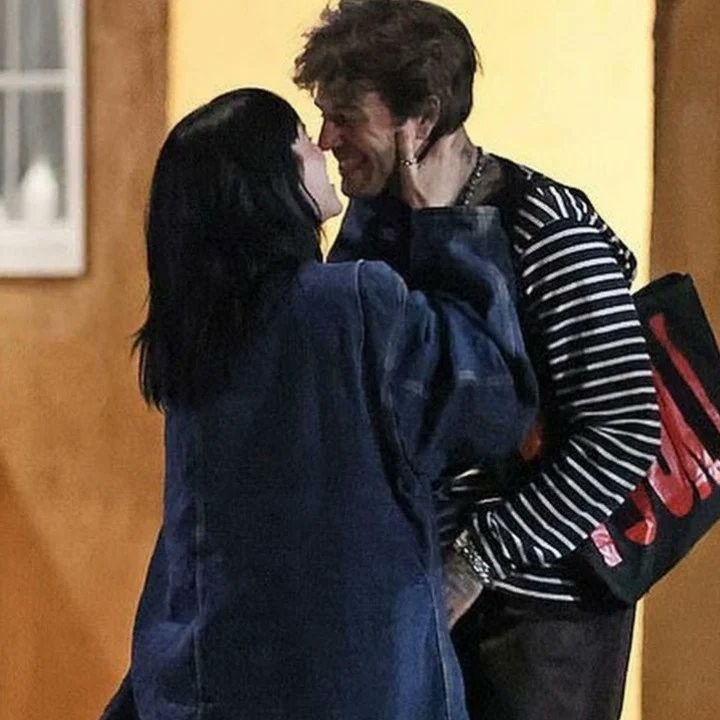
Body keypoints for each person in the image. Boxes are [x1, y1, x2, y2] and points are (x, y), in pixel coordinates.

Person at [98, 87, 536, 720]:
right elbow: (490, 405)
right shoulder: (347, 305)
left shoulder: (196, 329)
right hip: (355, 688)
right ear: (271, 182)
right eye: (302, 139)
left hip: (199, 680)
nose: (322, 148)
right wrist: (444, 225)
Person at [294, 2, 662, 719]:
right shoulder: (377, 227)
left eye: (345, 117)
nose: (327, 138)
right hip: (417, 609)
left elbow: (625, 430)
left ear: (422, 118)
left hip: (538, 625)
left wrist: (474, 562)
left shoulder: (544, 224)